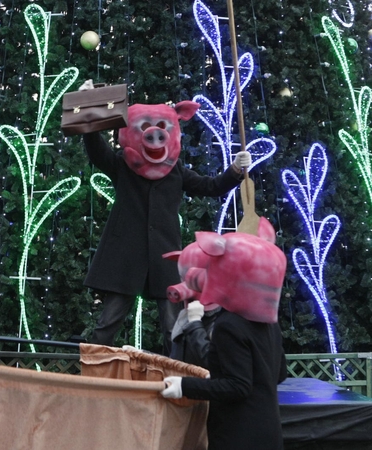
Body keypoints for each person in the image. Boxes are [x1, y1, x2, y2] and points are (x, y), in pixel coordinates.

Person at [78, 81, 250, 354]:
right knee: (107, 322)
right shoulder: (123, 166)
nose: (154, 137)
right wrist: (88, 105)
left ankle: (179, 382)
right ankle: (90, 377)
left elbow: (210, 186)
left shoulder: (175, 170)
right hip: (126, 257)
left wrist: (234, 171)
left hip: (164, 258)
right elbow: (96, 149)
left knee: (172, 328)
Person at [160, 229, 287, 449]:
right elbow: (280, 373)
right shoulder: (269, 323)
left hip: (237, 435)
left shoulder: (229, 325)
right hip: (270, 432)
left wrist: (184, 386)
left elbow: (237, 386)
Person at [169, 300, 221, 369]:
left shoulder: (225, 321)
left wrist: (195, 322)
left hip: (201, 377)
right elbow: (175, 357)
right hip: (180, 376)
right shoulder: (184, 314)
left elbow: (211, 364)